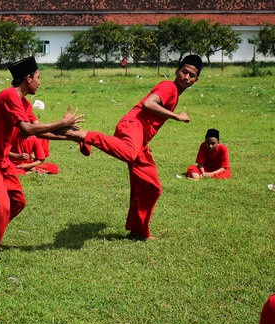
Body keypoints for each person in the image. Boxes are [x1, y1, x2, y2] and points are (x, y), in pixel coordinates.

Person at [64, 55, 202, 240]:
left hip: (140, 138)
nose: (186, 77)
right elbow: (148, 104)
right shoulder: (169, 87)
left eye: (191, 75)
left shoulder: (175, 92)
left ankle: (139, 231)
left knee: (151, 187)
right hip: (133, 126)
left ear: (196, 80)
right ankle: (85, 136)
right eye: (184, 72)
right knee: (128, 153)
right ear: (177, 71)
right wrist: (176, 116)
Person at [0, 56, 83, 247]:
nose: (40, 82)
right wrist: (62, 123)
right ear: (28, 78)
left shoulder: (24, 104)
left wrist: (70, 136)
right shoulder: (9, 96)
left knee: (17, 201)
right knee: (0, 207)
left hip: (1, 158)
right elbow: (26, 130)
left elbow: (40, 130)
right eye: (38, 77)